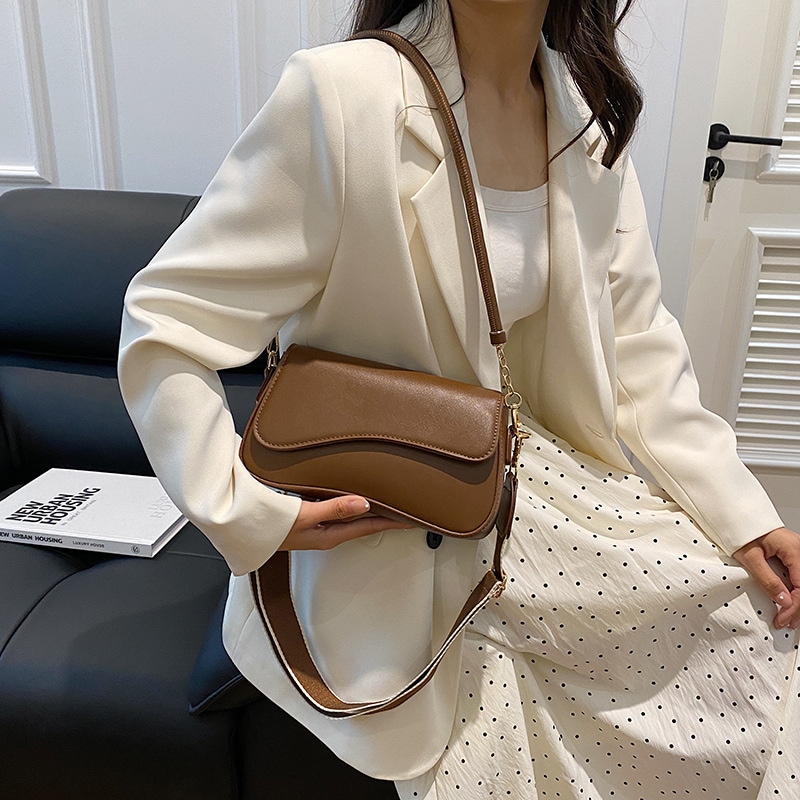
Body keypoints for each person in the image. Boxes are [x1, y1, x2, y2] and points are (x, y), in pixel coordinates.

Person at [118, 0, 800, 796]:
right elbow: (168, 323)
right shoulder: (346, 98)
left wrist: (743, 516)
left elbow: (638, 343)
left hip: (534, 487)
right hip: (398, 522)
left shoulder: (585, 121)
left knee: (754, 632)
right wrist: (249, 515)